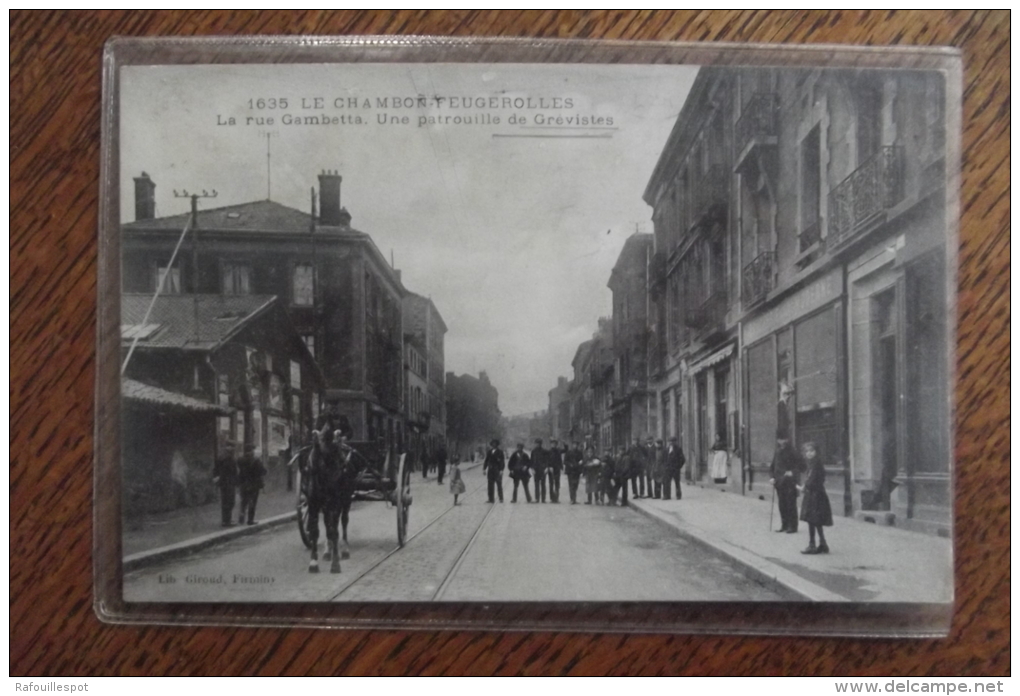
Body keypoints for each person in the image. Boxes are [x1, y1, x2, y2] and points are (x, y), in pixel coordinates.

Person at [798, 441, 833, 554]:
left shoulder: (816, 464)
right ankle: (823, 544)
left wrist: (804, 486)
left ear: (816, 452)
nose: (809, 453)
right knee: (815, 521)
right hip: (814, 494)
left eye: (812, 451)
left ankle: (812, 545)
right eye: (807, 451)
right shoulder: (812, 463)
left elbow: (813, 479)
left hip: (815, 495)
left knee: (812, 520)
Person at [770, 435, 804, 534]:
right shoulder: (777, 451)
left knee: (790, 504)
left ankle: (792, 526)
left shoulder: (793, 451)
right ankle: (784, 525)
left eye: (784, 439)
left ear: (788, 440)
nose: (781, 441)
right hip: (779, 483)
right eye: (780, 439)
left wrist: (792, 472)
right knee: (782, 505)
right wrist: (772, 477)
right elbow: (773, 467)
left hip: (790, 482)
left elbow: (802, 466)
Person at [236, 444, 266, 525]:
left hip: (243, 483)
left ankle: (241, 518)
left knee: (243, 502)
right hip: (253, 484)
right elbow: (263, 471)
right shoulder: (256, 461)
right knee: (252, 502)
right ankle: (250, 520)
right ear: (251, 451)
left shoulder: (240, 460)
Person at [212, 441, 239, 527]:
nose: (233, 448)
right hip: (229, 482)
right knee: (230, 501)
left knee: (225, 502)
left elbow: (216, 469)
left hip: (224, 483)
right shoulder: (228, 458)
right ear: (229, 447)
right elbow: (229, 471)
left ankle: (225, 520)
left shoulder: (221, 456)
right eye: (232, 446)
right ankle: (227, 521)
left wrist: (216, 478)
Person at [482, 438, 505, 503]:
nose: (494, 445)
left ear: (497, 445)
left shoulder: (500, 452)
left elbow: (502, 461)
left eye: (495, 444)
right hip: (490, 470)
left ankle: (501, 498)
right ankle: (491, 499)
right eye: (493, 444)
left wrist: (501, 470)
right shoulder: (489, 452)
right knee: (490, 485)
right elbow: (486, 460)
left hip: (497, 470)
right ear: (491, 444)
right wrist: (484, 469)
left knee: (499, 484)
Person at [663, 436, 685, 500]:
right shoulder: (666, 449)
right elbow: (664, 459)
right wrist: (665, 466)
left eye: (673, 441)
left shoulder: (678, 449)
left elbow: (683, 459)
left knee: (677, 482)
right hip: (668, 469)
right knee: (667, 482)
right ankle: (667, 496)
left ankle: (678, 495)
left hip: (675, 469)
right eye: (670, 441)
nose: (671, 443)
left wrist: (678, 466)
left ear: (676, 442)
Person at [530, 438, 548, 503]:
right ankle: (537, 498)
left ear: (541, 444)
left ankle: (543, 499)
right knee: (536, 484)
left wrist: (546, 468)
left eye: (538, 443)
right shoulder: (533, 451)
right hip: (536, 470)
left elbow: (547, 461)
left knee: (543, 484)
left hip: (543, 470)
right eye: (536, 443)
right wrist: (532, 469)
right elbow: (531, 461)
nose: (537, 445)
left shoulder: (544, 451)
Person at [547, 438, 563, 503]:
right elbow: (547, 460)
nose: (553, 445)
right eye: (552, 444)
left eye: (555, 444)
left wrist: (560, 467)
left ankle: (556, 498)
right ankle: (552, 498)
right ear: (551, 444)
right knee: (551, 483)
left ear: (556, 444)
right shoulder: (549, 451)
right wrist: (549, 467)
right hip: (551, 469)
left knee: (557, 483)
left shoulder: (558, 451)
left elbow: (565, 450)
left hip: (557, 469)